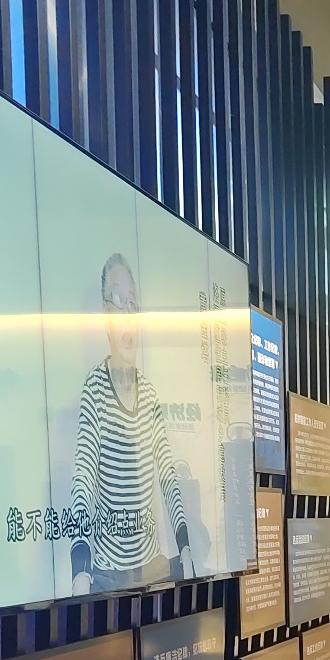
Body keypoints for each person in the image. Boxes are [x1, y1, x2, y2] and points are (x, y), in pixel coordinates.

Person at [70, 253, 194, 595]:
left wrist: (184, 545)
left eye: (133, 304)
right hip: (107, 572)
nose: (127, 313)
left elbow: (167, 475)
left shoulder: (150, 393)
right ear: (106, 315)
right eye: (118, 300)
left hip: (151, 568)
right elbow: (83, 477)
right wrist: (80, 567)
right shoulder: (94, 388)